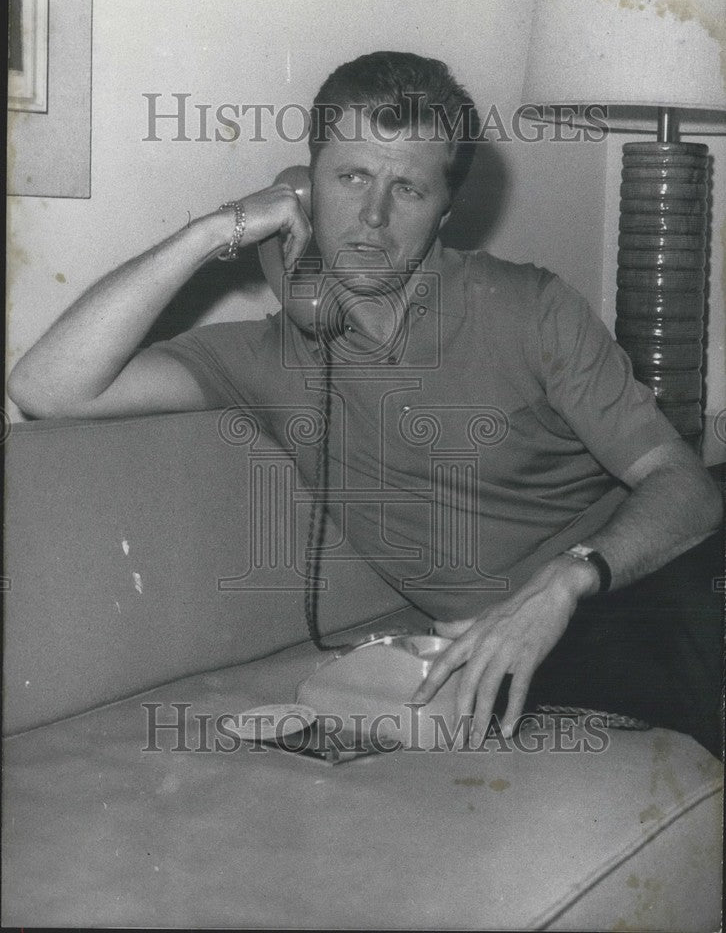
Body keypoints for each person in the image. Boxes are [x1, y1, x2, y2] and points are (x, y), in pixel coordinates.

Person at [8, 52, 721, 751]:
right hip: (527, 652)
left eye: (407, 189)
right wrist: (214, 230)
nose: (372, 215)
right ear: (306, 189)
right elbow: (46, 386)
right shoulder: (266, 358)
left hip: (637, 577)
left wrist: (565, 582)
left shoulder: (529, 308)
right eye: (350, 177)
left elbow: (685, 488)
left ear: (444, 213)